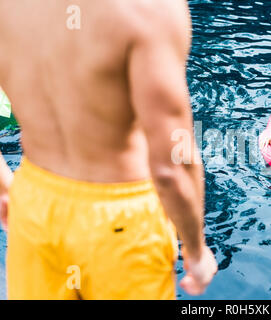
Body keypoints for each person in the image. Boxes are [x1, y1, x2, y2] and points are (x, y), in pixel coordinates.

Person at [0, 0, 217, 299]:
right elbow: (172, 166)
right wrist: (195, 250)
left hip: (33, 200)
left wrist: (5, 189)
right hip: (122, 221)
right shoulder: (150, 9)